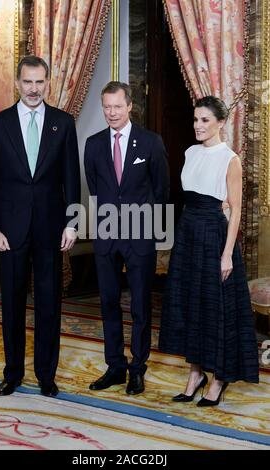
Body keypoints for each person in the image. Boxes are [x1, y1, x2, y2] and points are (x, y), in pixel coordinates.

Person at [0, 55, 81, 397]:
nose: (34, 89)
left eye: (40, 82)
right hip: (10, 231)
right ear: (17, 83)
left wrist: (72, 223)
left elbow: (72, 178)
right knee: (12, 304)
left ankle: (46, 375)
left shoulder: (63, 123)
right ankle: (12, 373)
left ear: (47, 83)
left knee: (50, 304)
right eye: (28, 82)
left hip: (51, 231)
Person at [159, 96, 259, 406]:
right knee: (192, 304)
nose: (198, 126)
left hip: (214, 235)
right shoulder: (190, 152)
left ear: (220, 122)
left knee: (215, 308)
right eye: (195, 119)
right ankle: (194, 373)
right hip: (188, 232)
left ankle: (218, 379)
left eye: (204, 120)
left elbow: (236, 209)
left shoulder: (230, 158)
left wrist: (227, 254)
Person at [84, 81, 170, 395]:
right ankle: (115, 367)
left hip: (141, 234)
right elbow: (95, 190)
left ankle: (138, 369)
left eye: (117, 106)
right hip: (106, 234)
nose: (112, 113)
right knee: (107, 302)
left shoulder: (150, 142)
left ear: (130, 106)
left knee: (140, 306)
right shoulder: (92, 144)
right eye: (107, 107)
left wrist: (157, 235)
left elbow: (162, 190)